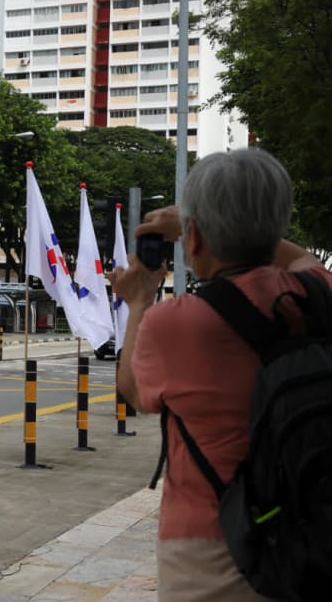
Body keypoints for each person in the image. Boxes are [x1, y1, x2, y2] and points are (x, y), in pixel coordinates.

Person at [108, 147, 332, 601]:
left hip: (209, 545)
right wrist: (221, 223)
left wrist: (138, 302)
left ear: (193, 240)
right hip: (310, 529)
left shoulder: (178, 322)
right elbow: (303, 259)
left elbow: (131, 390)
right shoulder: (316, 293)